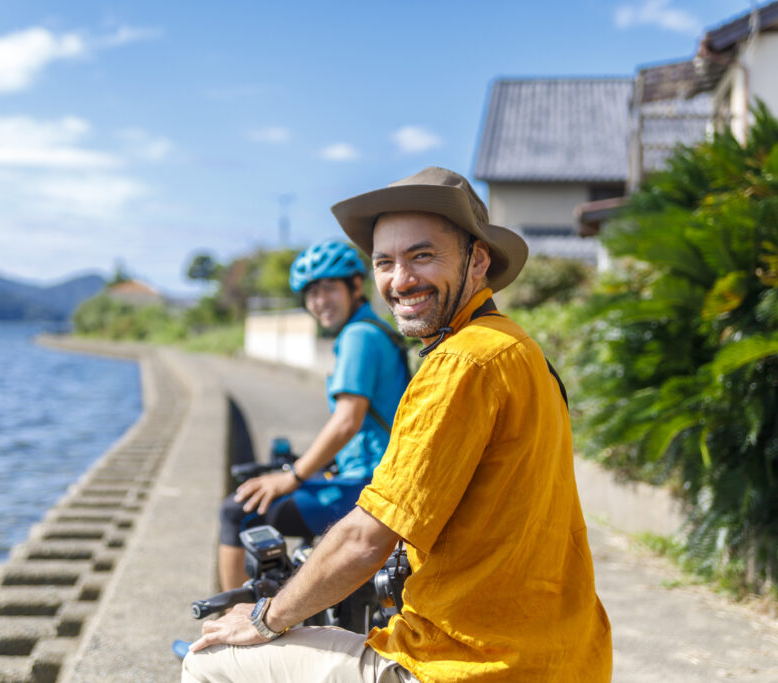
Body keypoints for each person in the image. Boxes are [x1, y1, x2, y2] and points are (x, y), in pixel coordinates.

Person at [183, 167, 612, 682]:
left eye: (423, 255)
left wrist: (264, 619)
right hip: (565, 657)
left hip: (469, 666)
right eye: (386, 261)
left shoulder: (459, 364)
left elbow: (367, 540)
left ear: (478, 261)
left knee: (209, 660)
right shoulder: (520, 350)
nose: (402, 280)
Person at [216, 239, 410, 590]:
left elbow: (348, 419)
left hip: (365, 488)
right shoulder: (376, 331)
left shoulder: (358, 336)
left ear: (354, 286)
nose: (319, 302)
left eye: (328, 289)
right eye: (311, 293)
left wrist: (294, 475)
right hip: (376, 479)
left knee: (237, 511)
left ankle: (231, 630)